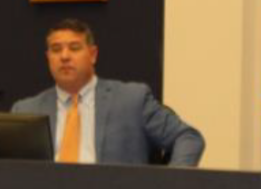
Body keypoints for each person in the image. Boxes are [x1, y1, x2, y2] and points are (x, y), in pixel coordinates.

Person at [12, 18, 205, 166]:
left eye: (74, 48)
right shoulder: (26, 110)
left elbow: (188, 137)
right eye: (56, 49)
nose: (64, 56)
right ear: (48, 57)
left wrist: (171, 183)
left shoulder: (131, 100)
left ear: (93, 54)